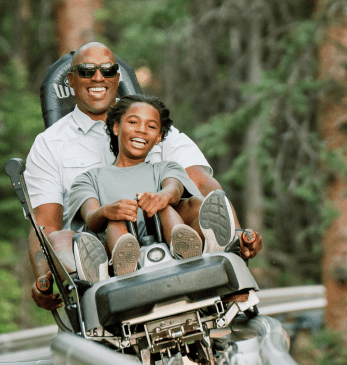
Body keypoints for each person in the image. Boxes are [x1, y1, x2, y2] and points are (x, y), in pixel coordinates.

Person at [25, 41, 262, 310]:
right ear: (71, 80)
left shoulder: (160, 133)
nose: (98, 77)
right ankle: (99, 278)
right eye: (87, 71)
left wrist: (239, 233)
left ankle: (219, 260)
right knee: (64, 239)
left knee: (198, 203)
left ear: (118, 77)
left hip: (163, 230)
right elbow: (45, 225)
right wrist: (44, 278)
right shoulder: (50, 145)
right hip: (99, 246)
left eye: (108, 69)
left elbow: (202, 184)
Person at [68, 95, 236, 282]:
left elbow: (174, 188)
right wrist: (108, 211)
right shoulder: (89, 179)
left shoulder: (166, 167)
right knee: (115, 219)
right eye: (133, 122)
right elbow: (91, 217)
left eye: (151, 126)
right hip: (114, 249)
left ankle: (187, 249)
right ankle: (124, 263)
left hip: (162, 237)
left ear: (159, 137)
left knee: (181, 204)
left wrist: (162, 197)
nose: (141, 130)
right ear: (116, 127)